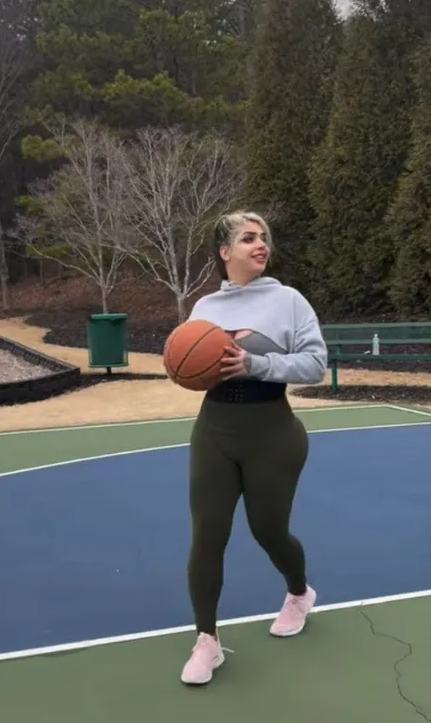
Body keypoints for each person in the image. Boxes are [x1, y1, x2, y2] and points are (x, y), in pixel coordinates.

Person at [180, 209, 328, 686]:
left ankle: (299, 593)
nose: (261, 244)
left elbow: (315, 365)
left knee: (269, 531)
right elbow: (189, 366)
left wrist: (256, 364)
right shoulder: (204, 308)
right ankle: (206, 641)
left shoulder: (288, 301)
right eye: (248, 238)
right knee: (208, 535)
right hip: (214, 432)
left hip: (273, 434)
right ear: (225, 252)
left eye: (263, 237)